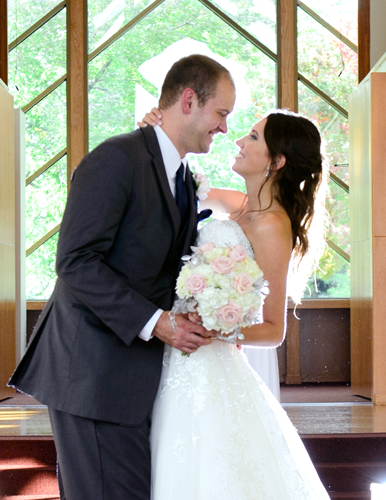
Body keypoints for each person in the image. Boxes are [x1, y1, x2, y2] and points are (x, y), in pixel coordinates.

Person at [8, 54, 235, 500]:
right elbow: (76, 262)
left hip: (132, 376)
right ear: (189, 100)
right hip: (93, 374)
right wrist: (159, 323)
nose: (224, 128)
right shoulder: (116, 158)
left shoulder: (184, 179)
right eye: (221, 113)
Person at [140, 107, 332, 499]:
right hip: (176, 349)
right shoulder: (240, 205)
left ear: (277, 161)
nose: (240, 142)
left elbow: (274, 329)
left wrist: (216, 327)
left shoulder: (273, 226)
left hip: (210, 357)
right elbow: (179, 185)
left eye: (253, 137)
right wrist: (156, 137)